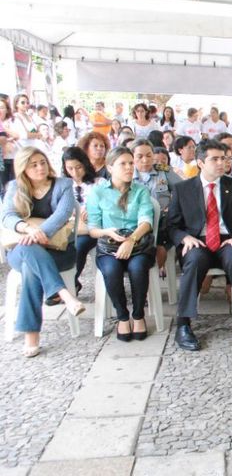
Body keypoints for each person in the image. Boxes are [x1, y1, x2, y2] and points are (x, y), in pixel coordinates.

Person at [168, 140, 232, 350]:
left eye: (224, 158)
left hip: (227, 239)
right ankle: (183, 325)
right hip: (197, 241)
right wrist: (184, 238)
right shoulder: (183, 189)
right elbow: (171, 225)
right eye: (215, 159)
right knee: (194, 261)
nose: (221, 163)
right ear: (200, 162)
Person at [2, 147, 84, 357]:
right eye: (34, 164)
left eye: (43, 162)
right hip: (20, 251)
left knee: (31, 267)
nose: (40, 167)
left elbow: (62, 214)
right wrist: (26, 228)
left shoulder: (63, 185)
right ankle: (65, 295)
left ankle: (32, 335)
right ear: (23, 169)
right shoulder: (14, 187)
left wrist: (37, 233)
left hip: (59, 251)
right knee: (28, 251)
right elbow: (7, 216)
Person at [86, 147, 155, 341]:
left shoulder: (140, 190)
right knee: (111, 270)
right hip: (109, 245)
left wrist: (131, 240)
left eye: (131, 163)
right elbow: (93, 229)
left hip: (138, 243)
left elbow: (146, 221)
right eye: (123, 164)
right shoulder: (98, 192)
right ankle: (123, 316)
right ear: (110, 167)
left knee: (138, 267)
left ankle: (139, 314)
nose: (129, 167)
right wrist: (108, 232)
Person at [131, 139, 182, 278]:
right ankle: (145, 275)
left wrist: (173, 206)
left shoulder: (163, 171)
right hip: (134, 222)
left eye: (149, 155)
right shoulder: (127, 173)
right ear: (132, 157)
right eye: (139, 156)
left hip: (162, 220)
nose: (145, 160)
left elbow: (184, 190)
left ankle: (152, 271)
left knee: (161, 237)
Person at [60, 147, 100, 299]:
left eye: (78, 167)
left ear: (85, 164)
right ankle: (59, 283)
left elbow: (107, 205)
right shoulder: (62, 185)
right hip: (68, 227)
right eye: (70, 168)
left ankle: (70, 283)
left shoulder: (98, 183)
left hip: (91, 228)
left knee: (80, 245)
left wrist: (93, 210)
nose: (75, 172)